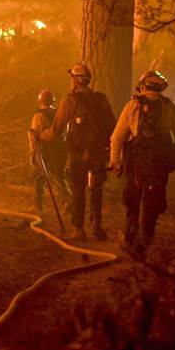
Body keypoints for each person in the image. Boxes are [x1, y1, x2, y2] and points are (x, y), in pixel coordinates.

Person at [109, 70, 175, 254]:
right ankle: (147, 238)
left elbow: (117, 137)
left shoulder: (133, 105)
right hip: (159, 162)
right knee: (153, 198)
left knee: (133, 197)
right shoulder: (169, 106)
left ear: (143, 85)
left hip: (136, 161)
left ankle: (129, 233)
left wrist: (115, 159)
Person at [38, 63, 116, 241]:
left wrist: (40, 136)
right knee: (97, 189)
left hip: (78, 153)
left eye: (71, 78)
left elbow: (55, 131)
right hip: (99, 152)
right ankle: (97, 225)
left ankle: (78, 229)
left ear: (75, 80)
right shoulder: (101, 100)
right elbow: (113, 126)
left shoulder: (70, 100)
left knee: (78, 189)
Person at [28, 89, 69, 214]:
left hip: (44, 151)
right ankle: (68, 203)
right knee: (59, 177)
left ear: (40, 101)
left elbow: (33, 137)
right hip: (60, 151)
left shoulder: (38, 116)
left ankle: (38, 206)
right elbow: (65, 133)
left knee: (38, 177)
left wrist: (32, 153)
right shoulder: (60, 115)